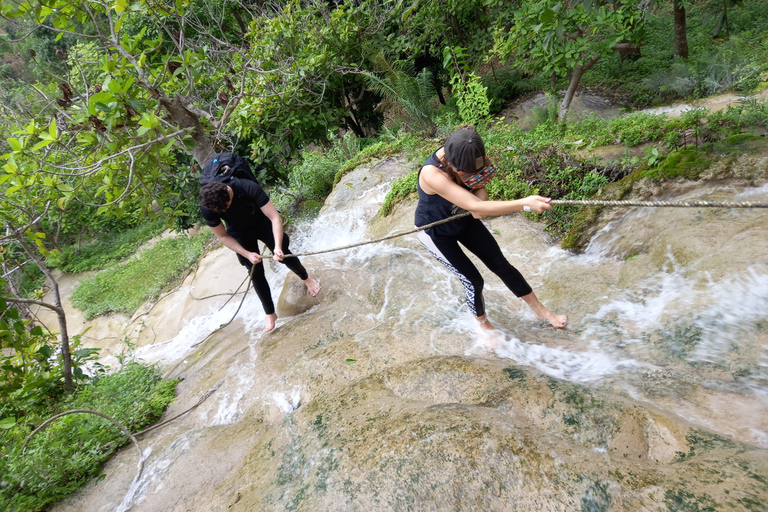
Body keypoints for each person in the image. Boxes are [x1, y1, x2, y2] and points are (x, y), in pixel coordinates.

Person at [414, 127, 567, 331]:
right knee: (473, 280)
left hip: (464, 220)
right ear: (451, 162)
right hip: (436, 232)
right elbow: (477, 206)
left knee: (501, 264)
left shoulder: (471, 152)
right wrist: (525, 204)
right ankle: (483, 324)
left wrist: (480, 196)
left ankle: (540, 310)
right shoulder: (432, 174)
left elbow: (479, 198)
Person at [200, 178, 319, 333]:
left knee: (284, 255)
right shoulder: (209, 208)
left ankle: (307, 279)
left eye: (226, 207)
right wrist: (247, 254)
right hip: (238, 232)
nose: (224, 211)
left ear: (229, 191)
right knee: (255, 271)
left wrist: (277, 247)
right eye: (220, 211)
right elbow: (223, 236)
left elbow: (274, 217)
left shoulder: (247, 187)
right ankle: (270, 313)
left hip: (262, 222)